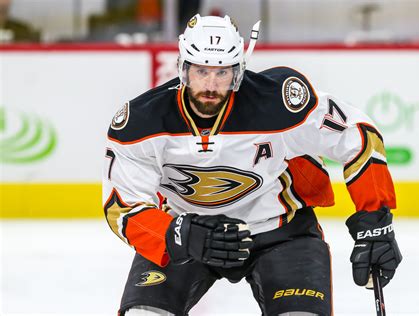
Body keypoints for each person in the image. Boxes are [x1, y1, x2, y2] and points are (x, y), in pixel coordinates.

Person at [103, 14, 402, 316]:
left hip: (281, 232)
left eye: (222, 73)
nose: (210, 85)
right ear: (183, 68)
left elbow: (356, 133)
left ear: (239, 70)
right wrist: (177, 235)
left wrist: (375, 219)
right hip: (188, 233)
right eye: (201, 71)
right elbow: (122, 207)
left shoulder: (279, 103)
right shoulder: (141, 122)